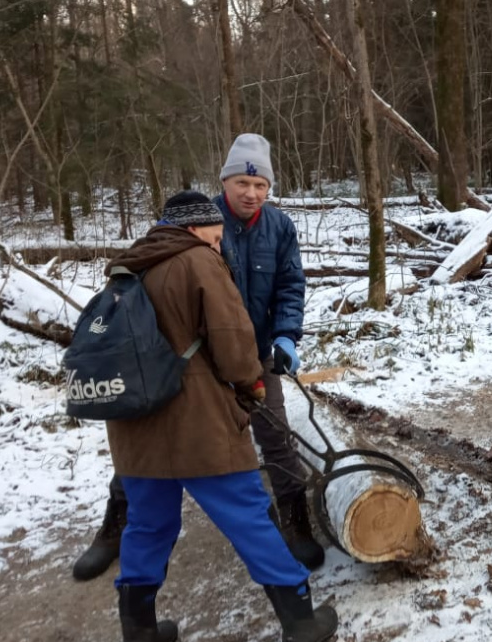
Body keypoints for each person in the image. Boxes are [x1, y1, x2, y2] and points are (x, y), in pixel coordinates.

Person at [73, 134, 323, 581]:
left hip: (255, 352)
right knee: (150, 446)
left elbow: (290, 285)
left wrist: (286, 336)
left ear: (268, 188)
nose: (251, 193)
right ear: (225, 181)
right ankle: (115, 525)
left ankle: (294, 517)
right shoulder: (196, 219)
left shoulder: (280, 228)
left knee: (277, 434)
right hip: (188, 360)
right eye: (242, 183)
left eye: (260, 185)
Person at [103, 191, 336, 642]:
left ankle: (139, 633)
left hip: (134, 426)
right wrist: (252, 387)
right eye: (213, 236)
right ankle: (300, 621)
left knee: (148, 525)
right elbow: (234, 345)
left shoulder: (127, 266)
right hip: (199, 425)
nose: (218, 245)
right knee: (249, 517)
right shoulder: (198, 262)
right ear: (194, 230)